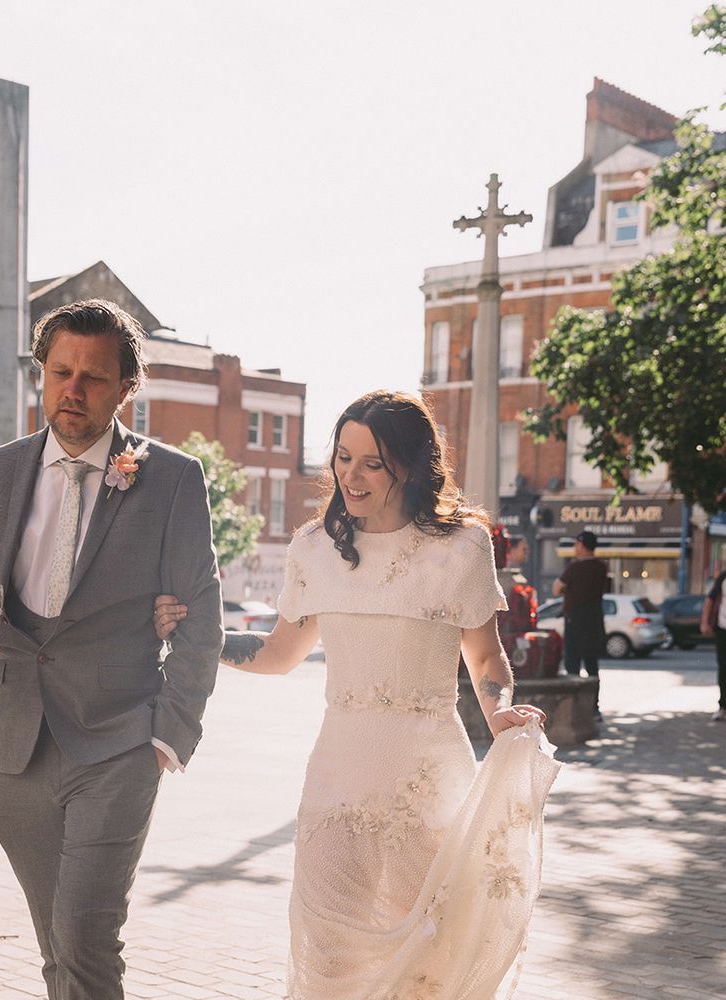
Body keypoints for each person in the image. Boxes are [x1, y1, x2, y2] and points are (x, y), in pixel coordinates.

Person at [155, 390, 557, 1000]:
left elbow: (483, 655)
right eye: (343, 458)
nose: (351, 474)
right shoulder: (315, 547)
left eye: (372, 462)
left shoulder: (461, 548)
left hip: (426, 778)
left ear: (410, 466)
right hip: (337, 776)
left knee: (423, 952)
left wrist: (500, 708)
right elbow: (277, 653)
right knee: (327, 952)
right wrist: (199, 634)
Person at [0, 299, 222, 1000]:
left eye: (93, 377)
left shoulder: (172, 478)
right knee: (57, 951)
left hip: (120, 743)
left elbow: (202, 614)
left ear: (126, 387)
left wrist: (170, 733)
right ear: (41, 374)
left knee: (88, 942)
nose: (73, 389)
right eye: (60, 371)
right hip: (21, 745)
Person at [553, 529, 607, 716]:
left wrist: (568, 591)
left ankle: (574, 707)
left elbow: (556, 588)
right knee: (592, 665)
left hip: (575, 620)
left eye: (576, 544)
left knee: (573, 664)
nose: (575, 547)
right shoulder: (602, 567)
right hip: (594, 620)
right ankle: (594, 707)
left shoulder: (575, 567)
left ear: (582, 544)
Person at [700, 568, 726, 721]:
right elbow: (710, 599)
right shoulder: (723, 577)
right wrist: (705, 622)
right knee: (724, 668)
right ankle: (723, 706)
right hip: (723, 629)